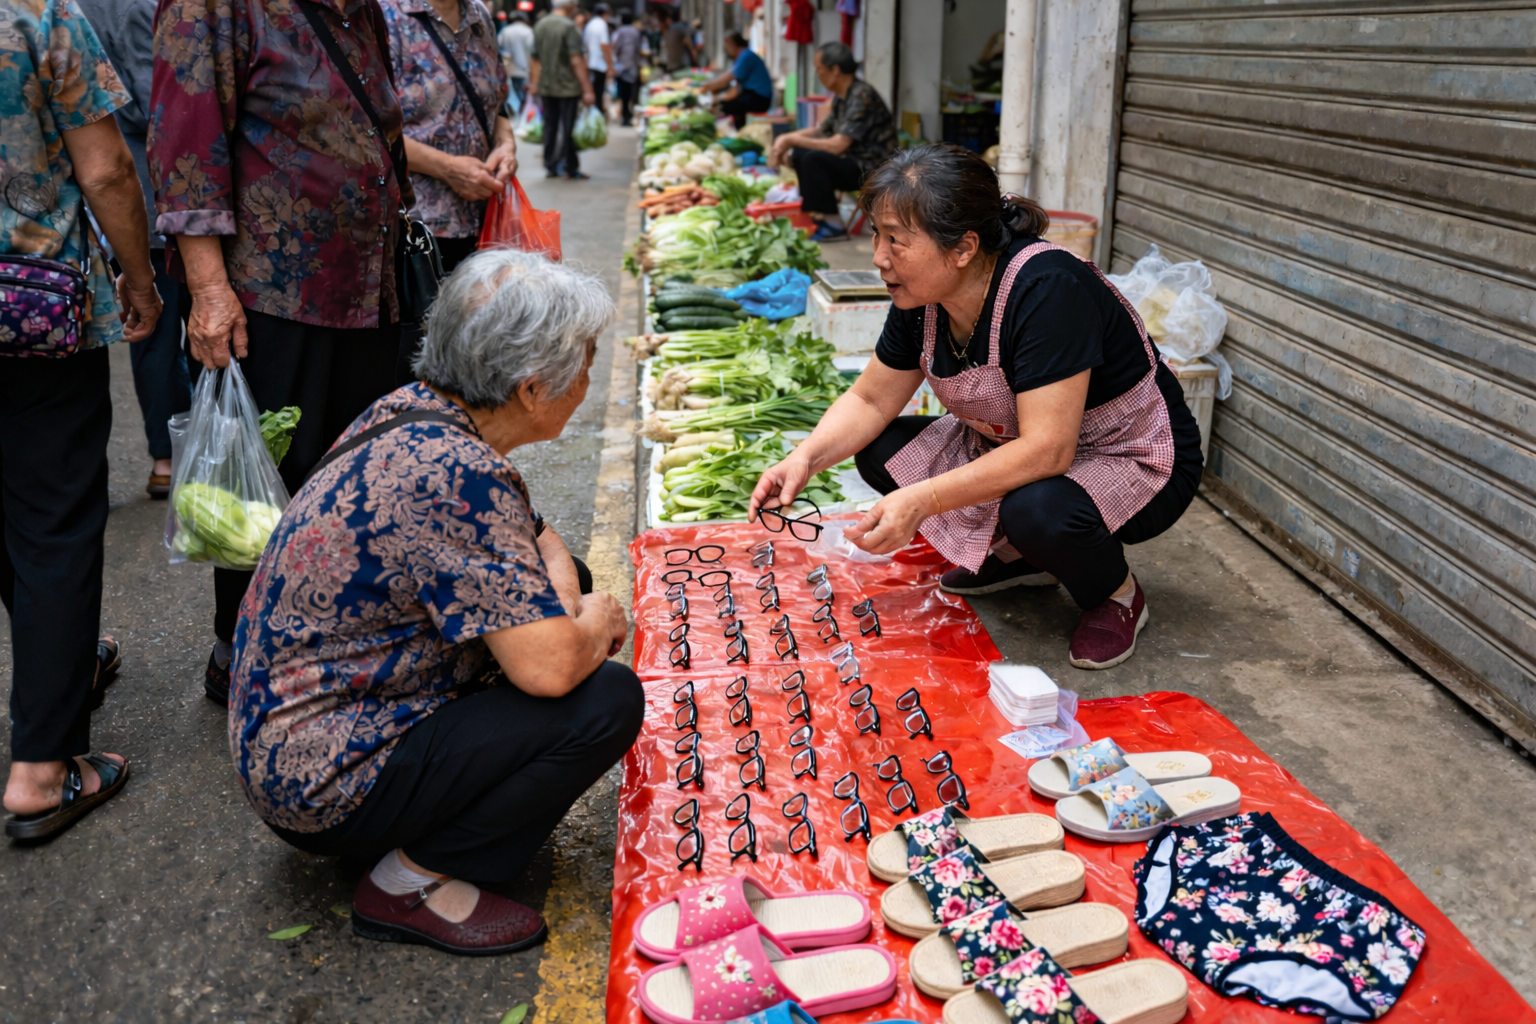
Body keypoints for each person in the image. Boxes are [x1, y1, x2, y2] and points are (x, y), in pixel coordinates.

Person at [230, 250, 641, 955]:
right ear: (533, 389)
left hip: (290, 732)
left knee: (562, 584)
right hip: (322, 779)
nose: (590, 379)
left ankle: (414, 822)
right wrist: (592, 621)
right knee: (603, 698)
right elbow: (551, 672)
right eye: (587, 362)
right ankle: (408, 882)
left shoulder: (416, 409)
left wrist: (569, 603)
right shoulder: (458, 473)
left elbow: (539, 539)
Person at [748, 146, 1204, 671]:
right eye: (876, 234)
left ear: (963, 248)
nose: (878, 255)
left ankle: (1115, 594)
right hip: (1018, 445)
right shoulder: (921, 298)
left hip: (1134, 454)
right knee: (882, 451)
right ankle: (1022, 559)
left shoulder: (1046, 288)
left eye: (895, 239)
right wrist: (803, 459)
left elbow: (1048, 450)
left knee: (1038, 511)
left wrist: (920, 501)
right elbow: (870, 398)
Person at [152, 0, 412, 705]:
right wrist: (208, 289)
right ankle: (241, 653)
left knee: (349, 476)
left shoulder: (362, 12)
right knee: (264, 485)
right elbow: (185, 151)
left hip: (366, 289)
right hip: (271, 296)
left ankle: (323, 640)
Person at [1, 0, 163, 841]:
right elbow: (105, 169)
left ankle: (58, 670)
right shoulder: (41, 13)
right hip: (29, 311)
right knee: (54, 518)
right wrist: (138, 280)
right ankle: (41, 769)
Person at [75, 0, 194, 501]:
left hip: (125, 199)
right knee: (179, 327)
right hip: (159, 189)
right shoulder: (144, 4)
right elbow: (158, 105)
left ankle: (166, 459)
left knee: (155, 339)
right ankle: (193, 456)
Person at [382, 0, 517, 274]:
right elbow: (367, 126)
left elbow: (497, 105)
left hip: (486, 221)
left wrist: (506, 146)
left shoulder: (480, 16)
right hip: (415, 228)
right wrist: (447, 169)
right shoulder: (382, 15)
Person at [768, 41, 897, 243]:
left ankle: (834, 225)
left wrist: (791, 138)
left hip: (873, 169)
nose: (817, 74)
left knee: (814, 160)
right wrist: (787, 140)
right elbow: (822, 130)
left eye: (819, 69)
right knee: (801, 154)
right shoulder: (841, 97)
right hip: (853, 161)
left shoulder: (861, 96)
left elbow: (837, 145)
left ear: (835, 70)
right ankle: (818, 214)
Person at [530, 0, 596, 179]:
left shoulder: (540, 24)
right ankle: (569, 166)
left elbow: (534, 59)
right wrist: (588, 88)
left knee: (550, 125)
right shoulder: (569, 26)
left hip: (546, 85)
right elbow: (576, 60)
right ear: (569, 5)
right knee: (568, 128)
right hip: (568, 86)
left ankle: (550, 164)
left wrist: (535, 83)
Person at [701, 31, 773, 129]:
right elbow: (732, 82)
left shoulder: (746, 56)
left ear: (732, 44)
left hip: (759, 98)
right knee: (728, 104)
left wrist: (706, 87)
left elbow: (726, 79)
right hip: (754, 95)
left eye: (726, 46)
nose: (726, 50)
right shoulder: (744, 55)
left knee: (728, 107)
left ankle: (737, 132)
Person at [611, 10, 643, 126]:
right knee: (630, 91)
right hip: (632, 64)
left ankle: (624, 114)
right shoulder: (635, 32)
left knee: (622, 91)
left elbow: (615, 47)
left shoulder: (618, 32)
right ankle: (627, 114)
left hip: (621, 65)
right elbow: (639, 48)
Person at [498, 10, 535, 110]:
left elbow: (499, 46)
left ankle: (516, 118)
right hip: (525, 70)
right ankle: (521, 120)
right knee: (524, 99)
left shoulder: (506, 30)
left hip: (510, 70)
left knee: (513, 98)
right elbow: (533, 51)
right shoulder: (528, 31)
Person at [583, 2, 614, 119]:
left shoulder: (590, 24)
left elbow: (585, 44)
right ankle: (597, 117)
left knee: (594, 92)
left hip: (590, 63)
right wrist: (610, 66)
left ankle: (592, 116)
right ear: (605, 14)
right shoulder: (602, 24)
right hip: (599, 65)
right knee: (598, 93)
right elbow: (604, 46)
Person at [658, 7, 695, 73]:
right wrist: (695, 62)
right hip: (682, 66)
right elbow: (690, 46)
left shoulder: (666, 32)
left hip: (672, 66)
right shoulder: (679, 28)